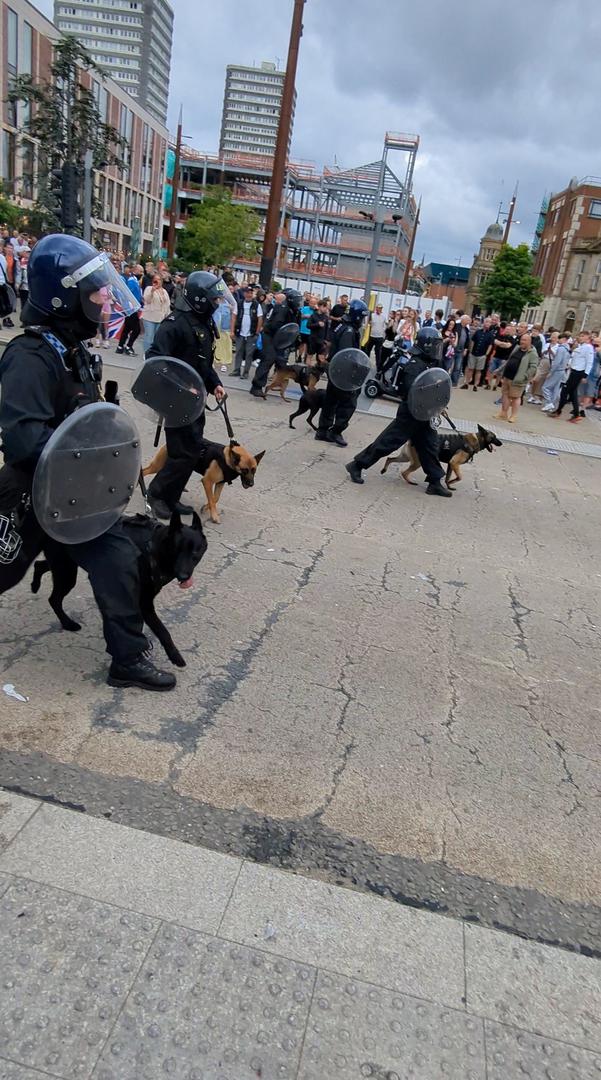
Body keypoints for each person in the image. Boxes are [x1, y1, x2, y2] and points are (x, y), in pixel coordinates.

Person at [0, 234, 175, 691]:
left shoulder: (71, 349)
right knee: (4, 568)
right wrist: (84, 454)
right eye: (95, 291)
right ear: (63, 296)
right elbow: (22, 440)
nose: (103, 299)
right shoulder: (30, 356)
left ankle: (128, 659)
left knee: (118, 561)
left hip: (78, 494)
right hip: (28, 494)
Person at [147, 272, 227, 519]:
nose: (217, 303)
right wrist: (182, 386)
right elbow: (155, 361)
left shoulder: (202, 322)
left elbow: (203, 363)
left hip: (195, 400)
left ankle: (171, 496)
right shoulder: (175, 323)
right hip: (175, 399)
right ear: (201, 299)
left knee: (191, 450)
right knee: (182, 452)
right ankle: (157, 495)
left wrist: (215, 384)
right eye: (213, 299)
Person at [345, 327, 452, 497]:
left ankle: (434, 481)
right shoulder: (414, 365)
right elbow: (412, 392)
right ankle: (357, 465)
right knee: (388, 442)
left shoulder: (428, 364)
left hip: (424, 414)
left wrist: (437, 405)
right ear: (427, 345)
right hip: (411, 413)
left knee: (430, 446)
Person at [315, 298, 369, 447]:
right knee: (348, 403)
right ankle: (336, 431)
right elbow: (348, 355)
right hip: (343, 373)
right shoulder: (349, 331)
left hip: (335, 369)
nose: (363, 320)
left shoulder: (342, 326)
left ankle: (322, 430)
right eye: (362, 317)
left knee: (330, 400)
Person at [249, 288, 301, 397]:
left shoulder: (295, 311)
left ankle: (278, 384)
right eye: (297, 300)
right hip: (270, 337)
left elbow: (295, 327)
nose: (299, 302)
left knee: (281, 362)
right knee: (268, 359)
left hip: (281, 340)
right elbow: (275, 326)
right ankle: (256, 386)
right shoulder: (282, 308)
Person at [551, 330, 595, 422]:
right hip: (573, 370)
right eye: (580, 336)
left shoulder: (588, 348)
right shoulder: (580, 346)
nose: (580, 337)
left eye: (583, 336)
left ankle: (559, 411)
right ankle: (575, 413)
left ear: (588, 337)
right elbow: (574, 358)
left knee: (565, 391)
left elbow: (589, 362)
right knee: (573, 393)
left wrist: (585, 375)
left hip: (579, 372)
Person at [495, 332, 538, 423]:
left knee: (515, 397)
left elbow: (533, 367)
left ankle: (513, 416)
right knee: (505, 395)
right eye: (521, 339)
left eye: (524, 340)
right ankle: (503, 413)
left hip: (518, 379)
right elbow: (509, 360)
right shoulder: (517, 348)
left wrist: (525, 377)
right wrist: (500, 369)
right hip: (507, 376)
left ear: (529, 342)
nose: (522, 342)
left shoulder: (532, 353)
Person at [232, 284, 264, 377]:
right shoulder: (239, 303)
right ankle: (236, 370)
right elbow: (234, 317)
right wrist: (232, 331)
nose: (249, 295)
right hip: (239, 332)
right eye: (247, 293)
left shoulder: (256, 305)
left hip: (252, 333)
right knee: (238, 352)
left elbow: (260, 319)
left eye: (251, 293)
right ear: (244, 293)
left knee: (249, 354)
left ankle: (246, 372)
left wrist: (257, 332)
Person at [116, 265, 143, 355]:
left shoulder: (134, 280)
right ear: (135, 271)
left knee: (127, 328)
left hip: (132, 307)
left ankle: (120, 346)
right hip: (131, 308)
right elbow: (128, 294)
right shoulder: (132, 281)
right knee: (137, 329)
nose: (142, 274)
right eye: (140, 271)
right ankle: (128, 346)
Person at [142, 273, 171, 354]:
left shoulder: (164, 291)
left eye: (159, 279)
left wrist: (167, 316)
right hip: (149, 317)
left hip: (161, 318)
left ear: (161, 281)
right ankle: (146, 354)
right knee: (149, 337)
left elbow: (167, 304)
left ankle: (153, 353)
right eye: (156, 279)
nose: (157, 281)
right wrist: (152, 291)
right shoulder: (149, 288)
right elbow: (147, 300)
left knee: (157, 338)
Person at [462, 316, 494, 390]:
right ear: (484, 322)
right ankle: (466, 383)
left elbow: (490, 345)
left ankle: (475, 385)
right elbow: (473, 341)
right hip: (473, 353)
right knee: (470, 369)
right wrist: (470, 351)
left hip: (482, 355)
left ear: (490, 324)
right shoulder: (478, 331)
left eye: (489, 322)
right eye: (486, 321)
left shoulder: (490, 334)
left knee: (478, 370)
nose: (487, 323)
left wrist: (486, 354)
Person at [541, 333, 570, 412]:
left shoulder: (561, 349)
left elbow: (557, 361)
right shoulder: (567, 349)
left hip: (557, 370)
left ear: (563, 339)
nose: (559, 340)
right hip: (562, 371)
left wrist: (551, 371)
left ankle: (549, 403)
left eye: (560, 338)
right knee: (555, 389)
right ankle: (551, 404)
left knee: (545, 387)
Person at [528, 331, 558, 404]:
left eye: (554, 337)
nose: (553, 339)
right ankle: (532, 394)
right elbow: (542, 353)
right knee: (536, 378)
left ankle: (539, 397)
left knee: (542, 380)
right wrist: (546, 351)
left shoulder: (558, 347)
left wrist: (551, 352)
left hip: (549, 363)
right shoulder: (547, 344)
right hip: (543, 361)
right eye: (552, 337)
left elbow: (556, 357)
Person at [364, 303, 387, 369]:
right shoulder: (372, 315)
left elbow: (386, 325)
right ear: (376, 308)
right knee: (368, 350)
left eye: (381, 308)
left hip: (379, 337)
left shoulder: (383, 317)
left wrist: (384, 334)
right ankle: (366, 363)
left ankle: (378, 366)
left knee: (378, 352)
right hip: (372, 336)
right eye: (378, 308)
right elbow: (369, 323)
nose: (379, 309)